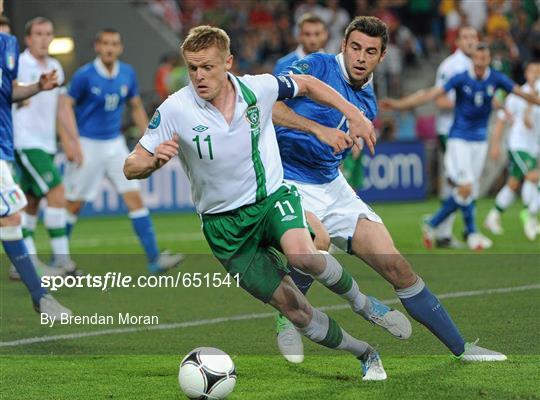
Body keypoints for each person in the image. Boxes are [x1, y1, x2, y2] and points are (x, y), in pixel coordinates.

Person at [124, 25, 405, 381]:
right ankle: (365, 352)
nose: (199, 76)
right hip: (225, 229)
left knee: (305, 255)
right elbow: (131, 163)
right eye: (192, 68)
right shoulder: (175, 109)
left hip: (271, 199)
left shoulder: (257, 88)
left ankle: (364, 304)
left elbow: (310, 86)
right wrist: (151, 162)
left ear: (228, 63)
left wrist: (351, 112)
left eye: (208, 67)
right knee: (297, 311)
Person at [272, 17, 508, 363]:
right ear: (343, 46)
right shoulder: (316, 65)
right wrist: (316, 129)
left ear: (382, 57)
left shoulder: (368, 102)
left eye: (370, 51)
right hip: (287, 179)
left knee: (398, 266)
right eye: (355, 48)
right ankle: (287, 316)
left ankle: (462, 349)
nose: (361, 57)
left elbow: (339, 148)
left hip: (331, 185)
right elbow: (270, 105)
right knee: (316, 242)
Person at [382, 44, 540, 251]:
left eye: (485, 59)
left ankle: (433, 223)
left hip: (480, 141)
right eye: (478, 59)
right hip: (459, 139)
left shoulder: (496, 78)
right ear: (473, 60)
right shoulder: (460, 78)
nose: (481, 63)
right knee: (466, 186)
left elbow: (523, 94)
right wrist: (399, 104)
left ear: (488, 60)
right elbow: (430, 94)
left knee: (468, 191)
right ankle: (472, 233)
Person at [59, 28, 183, 273]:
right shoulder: (85, 75)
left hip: (115, 145)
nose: (109, 48)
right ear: (97, 46)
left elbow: (136, 106)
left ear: (120, 47)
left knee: (134, 199)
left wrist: (151, 138)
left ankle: (154, 259)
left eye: (114, 43)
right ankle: (59, 260)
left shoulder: (127, 73)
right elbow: (65, 105)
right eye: (105, 43)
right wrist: (71, 142)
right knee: (73, 205)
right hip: (88, 145)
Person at [0, 2, 71, 318]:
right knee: (23, 211)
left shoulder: (7, 45)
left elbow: (9, 91)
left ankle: (40, 295)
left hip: (4, 147)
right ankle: (47, 285)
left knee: (15, 215)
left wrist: (36, 88)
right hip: (21, 145)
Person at [11, 17, 80, 279]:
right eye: (38, 34)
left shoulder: (55, 67)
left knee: (31, 202)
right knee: (57, 191)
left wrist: (72, 141)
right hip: (25, 142)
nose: (44, 38)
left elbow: (62, 109)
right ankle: (63, 262)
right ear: (28, 39)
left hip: (47, 143)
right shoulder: (18, 64)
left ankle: (21, 264)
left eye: (48, 33)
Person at [431, 25, 478, 249]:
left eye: (473, 37)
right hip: (449, 130)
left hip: (470, 133)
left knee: (458, 182)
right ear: (457, 42)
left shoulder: (477, 65)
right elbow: (439, 100)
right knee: (460, 181)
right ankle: (468, 231)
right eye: (466, 37)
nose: (470, 41)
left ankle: (443, 231)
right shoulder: (450, 66)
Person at [484, 60, 540, 241]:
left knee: (514, 183)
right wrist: (495, 145)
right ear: (526, 74)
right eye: (533, 71)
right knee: (533, 176)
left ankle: (493, 216)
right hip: (518, 145)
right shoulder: (517, 96)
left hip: (533, 146)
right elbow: (502, 121)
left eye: (538, 72)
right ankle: (529, 215)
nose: (536, 75)